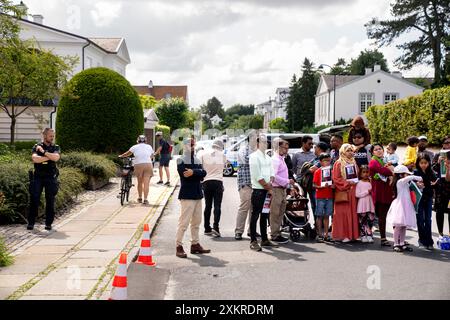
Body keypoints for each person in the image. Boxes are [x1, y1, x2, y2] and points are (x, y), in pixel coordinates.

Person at [175, 138, 210, 258]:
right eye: (190, 145)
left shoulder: (197, 159)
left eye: (193, 145)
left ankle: (195, 245)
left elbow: (204, 173)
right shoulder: (180, 160)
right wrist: (197, 173)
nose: (192, 146)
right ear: (184, 146)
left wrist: (194, 172)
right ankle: (178, 246)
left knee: (196, 222)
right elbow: (184, 175)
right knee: (183, 223)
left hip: (197, 195)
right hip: (187, 195)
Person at [249, 135, 279, 251]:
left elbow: (272, 172)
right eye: (263, 142)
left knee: (265, 215)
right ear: (257, 144)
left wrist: (270, 182)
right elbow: (258, 176)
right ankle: (253, 241)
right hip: (259, 191)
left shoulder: (268, 157)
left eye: (266, 143)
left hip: (267, 190)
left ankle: (265, 239)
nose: (265, 144)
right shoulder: (254, 157)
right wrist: (268, 188)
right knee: (255, 215)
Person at [28, 128, 61, 231]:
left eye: (53, 136)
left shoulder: (55, 147)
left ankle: (48, 224)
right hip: (38, 176)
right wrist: (49, 157)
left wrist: (44, 152)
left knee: (50, 200)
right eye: (50, 136)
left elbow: (56, 158)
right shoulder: (37, 146)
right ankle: (31, 223)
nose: (52, 137)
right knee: (34, 198)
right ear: (45, 136)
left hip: (50, 176)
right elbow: (35, 159)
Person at [387, 165, 423, 253]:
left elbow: (413, 188)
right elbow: (410, 178)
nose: (407, 175)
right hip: (400, 206)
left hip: (407, 205)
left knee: (403, 226)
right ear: (400, 175)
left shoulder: (405, 183)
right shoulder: (400, 182)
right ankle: (396, 244)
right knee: (398, 226)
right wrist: (419, 177)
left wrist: (419, 185)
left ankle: (402, 243)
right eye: (406, 174)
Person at [331, 144, 360, 242]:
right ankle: (343, 235)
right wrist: (347, 183)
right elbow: (336, 178)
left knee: (353, 212)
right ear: (343, 151)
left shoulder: (354, 162)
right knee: (342, 214)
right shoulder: (338, 163)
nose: (350, 152)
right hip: (343, 191)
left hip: (353, 191)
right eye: (348, 150)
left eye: (351, 150)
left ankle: (353, 235)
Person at [198, 139, 226, 238]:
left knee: (208, 205)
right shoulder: (222, 155)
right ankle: (216, 227)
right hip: (218, 181)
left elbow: (200, 167)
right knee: (217, 205)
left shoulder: (204, 154)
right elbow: (224, 168)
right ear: (220, 147)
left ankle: (206, 227)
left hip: (206, 181)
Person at [269, 139, 295, 244]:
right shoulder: (275, 159)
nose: (287, 150)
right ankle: (274, 234)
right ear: (278, 147)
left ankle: (277, 233)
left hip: (282, 188)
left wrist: (288, 183)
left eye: (287, 148)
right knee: (275, 212)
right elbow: (273, 177)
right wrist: (287, 181)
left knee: (280, 212)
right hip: (276, 189)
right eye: (285, 147)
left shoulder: (281, 159)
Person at [369, 143, 394, 247]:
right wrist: (391, 171)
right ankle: (383, 238)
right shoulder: (373, 162)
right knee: (381, 216)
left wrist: (391, 170)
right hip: (379, 193)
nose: (379, 151)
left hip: (387, 191)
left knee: (383, 216)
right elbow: (384, 171)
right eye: (376, 150)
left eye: (380, 149)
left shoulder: (384, 161)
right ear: (372, 152)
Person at [235, 137, 259, 240]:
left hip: (256, 183)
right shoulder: (244, 149)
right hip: (245, 182)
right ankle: (239, 231)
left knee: (254, 208)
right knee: (244, 206)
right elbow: (247, 160)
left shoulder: (257, 151)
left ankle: (251, 230)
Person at [119, 135, 154, 204]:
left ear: (138, 141)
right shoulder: (149, 146)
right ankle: (146, 199)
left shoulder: (134, 147)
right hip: (148, 164)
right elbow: (152, 155)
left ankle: (140, 198)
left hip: (138, 164)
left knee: (140, 182)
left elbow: (127, 153)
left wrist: (121, 156)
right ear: (145, 141)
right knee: (146, 183)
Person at [414, 153, 438, 250]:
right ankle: (422, 240)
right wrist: (417, 184)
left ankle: (429, 241)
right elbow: (411, 184)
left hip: (428, 198)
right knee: (420, 220)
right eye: (421, 163)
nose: (423, 165)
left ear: (429, 163)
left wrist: (434, 183)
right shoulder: (416, 172)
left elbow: (435, 183)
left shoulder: (431, 172)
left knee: (428, 220)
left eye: (425, 163)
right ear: (418, 163)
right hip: (419, 199)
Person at [312, 153, 334, 242]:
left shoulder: (331, 171)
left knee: (327, 216)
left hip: (329, 196)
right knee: (319, 215)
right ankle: (319, 234)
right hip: (320, 196)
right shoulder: (318, 171)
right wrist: (321, 186)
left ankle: (326, 234)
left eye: (329, 160)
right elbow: (314, 185)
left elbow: (334, 183)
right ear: (320, 162)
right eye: (325, 160)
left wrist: (333, 185)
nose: (327, 162)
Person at [432, 136, 450, 239]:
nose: (448, 144)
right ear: (442, 144)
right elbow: (432, 170)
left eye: (449, 143)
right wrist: (438, 163)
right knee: (440, 210)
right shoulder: (438, 155)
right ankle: (440, 233)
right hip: (441, 186)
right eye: (446, 143)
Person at [355, 165, 375, 243]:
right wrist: (367, 192)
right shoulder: (359, 183)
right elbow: (357, 194)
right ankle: (363, 235)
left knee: (370, 220)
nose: (366, 174)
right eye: (364, 172)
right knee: (362, 221)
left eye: (367, 172)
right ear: (360, 174)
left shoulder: (371, 182)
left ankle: (369, 235)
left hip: (370, 204)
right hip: (362, 204)